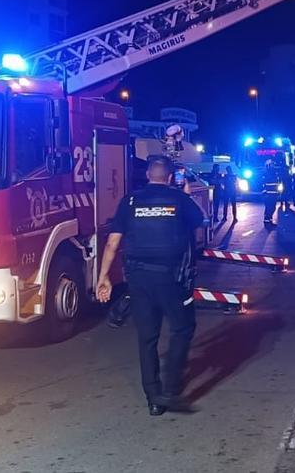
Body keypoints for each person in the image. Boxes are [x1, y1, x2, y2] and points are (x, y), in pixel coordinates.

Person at [96, 155, 205, 416]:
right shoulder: (180, 199)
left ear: (147, 175)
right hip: (172, 279)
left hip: (138, 280)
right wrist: (186, 194)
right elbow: (199, 223)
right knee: (182, 328)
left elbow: (112, 243)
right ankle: (171, 387)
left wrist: (103, 277)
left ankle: (154, 399)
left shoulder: (130, 201)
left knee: (147, 338)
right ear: (170, 177)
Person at [261, 160, 283, 227]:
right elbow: (263, 184)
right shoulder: (267, 173)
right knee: (269, 208)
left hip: (274, 194)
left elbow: (277, 183)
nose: (273, 166)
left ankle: (269, 220)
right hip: (268, 194)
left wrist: (279, 192)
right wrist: (264, 191)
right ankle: (267, 221)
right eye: (272, 165)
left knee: (272, 208)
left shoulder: (275, 173)